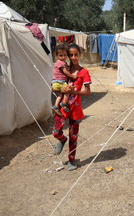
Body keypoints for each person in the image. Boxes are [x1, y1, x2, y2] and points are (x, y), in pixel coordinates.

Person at [52, 43, 91, 171]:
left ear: (80, 55)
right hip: (63, 107)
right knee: (56, 131)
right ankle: (62, 140)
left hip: (75, 108)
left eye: (76, 55)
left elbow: (88, 92)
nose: (73, 57)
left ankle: (72, 161)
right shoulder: (64, 68)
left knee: (73, 136)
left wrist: (75, 92)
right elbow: (54, 86)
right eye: (71, 55)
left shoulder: (84, 72)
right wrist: (59, 88)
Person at [51, 44, 78, 116]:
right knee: (68, 90)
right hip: (60, 82)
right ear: (56, 55)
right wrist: (73, 76)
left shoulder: (60, 63)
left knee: (60, 94)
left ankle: (56, 106)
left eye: (65, 55)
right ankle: (64, 103)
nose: (63, 57)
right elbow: (65, 72)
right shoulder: (61, 63)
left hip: (55, 83)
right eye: (61, 55)